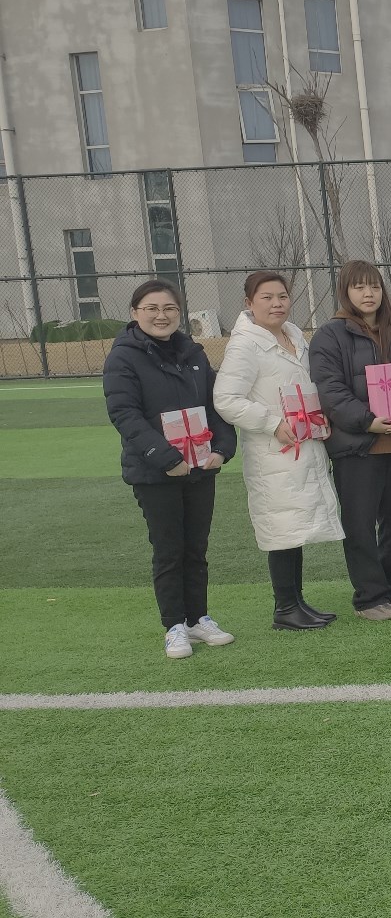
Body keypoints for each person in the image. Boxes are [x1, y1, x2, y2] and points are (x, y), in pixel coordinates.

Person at [103, 279, 238, 659]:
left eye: (169, 309)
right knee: (169, 549)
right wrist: (167, 458)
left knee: (196, 547)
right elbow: (124, 414)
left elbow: (215, 405)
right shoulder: (123, 357)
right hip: (154, 472)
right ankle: (174, 626)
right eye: (152, 308)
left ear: (180, 313)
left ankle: (197, 619)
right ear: (135, 313)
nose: (161, 316)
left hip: (199, 467)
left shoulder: (193, 352)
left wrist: (222, 449)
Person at [213, 271, 344, 630]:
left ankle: (296, 601)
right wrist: (272, 423)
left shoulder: (294, 335)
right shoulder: (245, 345)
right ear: (249, 303)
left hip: (303, 443)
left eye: (282, 297)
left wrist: (318, 416)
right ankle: (285, 607)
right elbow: (226, 399)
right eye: (267, 298)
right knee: (281, 527)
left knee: (294, 527)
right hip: (273, 451)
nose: (276, 304)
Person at [309, 261, 391, 620]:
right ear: (345, 292)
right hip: (357, 448)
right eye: (359, 287)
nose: (368, 294)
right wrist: (369, 421)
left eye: (375, 287)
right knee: (360, 525)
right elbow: (330, 391)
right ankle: (369, 596)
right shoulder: (329, 336)